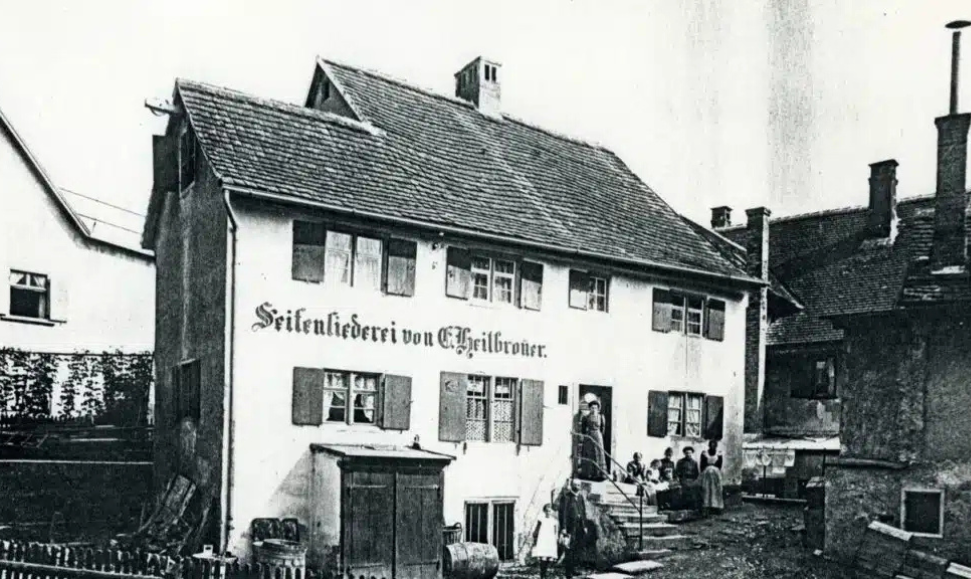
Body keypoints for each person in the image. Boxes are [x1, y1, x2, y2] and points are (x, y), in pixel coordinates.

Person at [558, 480, 586, 579]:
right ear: (572, 486)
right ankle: (568, 572)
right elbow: (563, 514)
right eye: (575, 485)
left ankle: (574, 569)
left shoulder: (580, 497)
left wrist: (585, 526)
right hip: (570, 528)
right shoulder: (566, 497)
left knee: (576, 549)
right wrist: (564, 528)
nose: (577, 487)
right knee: (569, 550)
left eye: (578, 485)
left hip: (579, 527)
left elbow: (583, 512)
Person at [579, 401, 607, 481]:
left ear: (598, 409)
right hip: (589, 437)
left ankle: (599, 474)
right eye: (592, 408)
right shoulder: (586, 417)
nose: (594, 409)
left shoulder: (601, 417)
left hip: (598, 436)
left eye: (595, 408)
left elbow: (603, 429)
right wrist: (586, 435)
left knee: (598, 454)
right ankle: (587, 474)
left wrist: (599, 435)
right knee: (589, 454)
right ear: (589, 408)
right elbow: (583, 429)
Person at [532, 504, 559, 579]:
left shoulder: (554, 521)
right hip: (543, 539)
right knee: (543, 556)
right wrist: (535, 537)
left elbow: (556, 531)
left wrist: (556, 539)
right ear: (544, 511)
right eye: (546, 511)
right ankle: (542, 574)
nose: (548, 512)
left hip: (550, 540)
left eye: (549, 511)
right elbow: (537, 529)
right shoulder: (541, 519)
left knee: (549, 557)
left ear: (552, 511)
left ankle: (545, 572)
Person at [700, 439, 725, 516]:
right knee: (707, 489)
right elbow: (702, 465)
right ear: (709, 445)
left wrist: (715, 470)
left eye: (714, 445)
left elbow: (720, 465)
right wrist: (705, 471)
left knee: (716, 489)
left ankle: (716, 507)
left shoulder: (719, 454)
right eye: (711, 445)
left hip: (715, 473)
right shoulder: (704, 454)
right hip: (707, 473)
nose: (712, 446)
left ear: (716, 446)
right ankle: (706, 507)